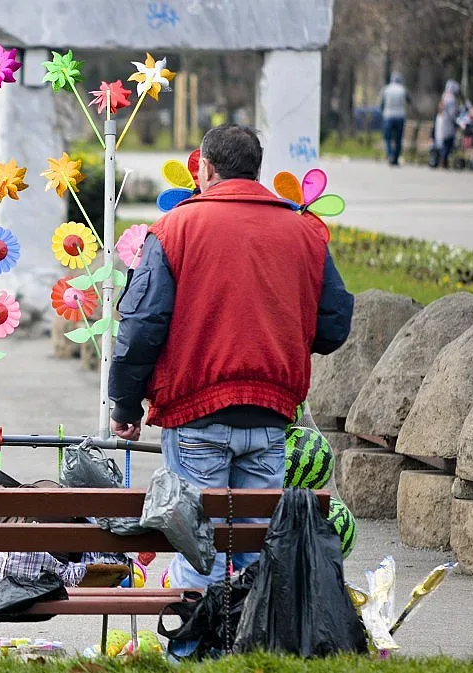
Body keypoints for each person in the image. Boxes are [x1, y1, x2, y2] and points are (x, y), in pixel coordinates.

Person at [108, 124, 354, 599]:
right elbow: (335, 321)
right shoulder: (304, 231)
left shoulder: (175, 228)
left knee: (199, 546)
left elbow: (141, 325)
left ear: (204, 168)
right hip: (270, 417)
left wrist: (124, 406)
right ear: (256, 171)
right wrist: (286, 340)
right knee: (254, 550)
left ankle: (194, 654)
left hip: (195, 413)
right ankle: (249, 643)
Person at [378, 72, 411, 165]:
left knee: (387, 138)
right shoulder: (403, 89)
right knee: (398, 139)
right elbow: (409, 100)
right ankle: (396, 158)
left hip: (388, 116)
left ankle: (389, 155)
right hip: (400, 116)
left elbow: (381, 104)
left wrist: (383, 112)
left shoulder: (386, 89)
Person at [433, 79, 461, 168]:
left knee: (444, 142)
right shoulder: (451, 98)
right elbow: (452, 113)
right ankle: (443, 161)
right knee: (448, 142)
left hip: (443, 121)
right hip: (448, 123)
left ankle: (443, 160)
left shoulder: (444, 96)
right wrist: (457, 121)